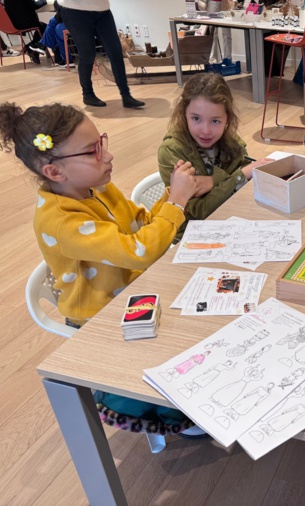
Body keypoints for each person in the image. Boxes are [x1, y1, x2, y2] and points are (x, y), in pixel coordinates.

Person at [0, 101, 201, 436]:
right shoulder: (60, 220)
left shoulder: (98, 188)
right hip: (98, 316)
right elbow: (139, 252)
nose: (108, 155)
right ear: (54, 172)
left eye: (102, 143)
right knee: (171, 349)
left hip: (132, 293)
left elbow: (141, 224)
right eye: (93, 151)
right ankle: (135, 407)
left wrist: (171, 199)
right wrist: (177, 203)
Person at [158, 72, 272, 241]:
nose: (206, 130)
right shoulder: (172, 151)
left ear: (227, 119)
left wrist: (214, 181)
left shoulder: (231, 142)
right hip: (190, 236)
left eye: (215, 121)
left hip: (229, 222)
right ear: (184, 113)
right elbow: (196, 214)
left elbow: (244, 187)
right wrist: (236, 177)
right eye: (196, 118)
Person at [58, 0, 144, 108]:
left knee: (115, 51)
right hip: (74, 11)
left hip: (102, 10)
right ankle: (88, 94)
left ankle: (126, 96)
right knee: (87, 54)